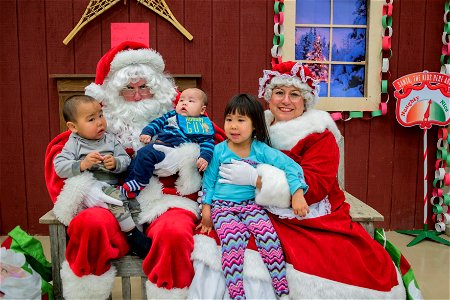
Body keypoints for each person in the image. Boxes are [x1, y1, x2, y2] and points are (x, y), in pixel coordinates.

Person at [188, 61, 408, 299]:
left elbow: (317, 184)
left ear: (305, 100)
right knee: (212, 240)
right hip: (246, 207)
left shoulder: (318, 134)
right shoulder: (252, 125)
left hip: (302, 207)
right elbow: (217, 147)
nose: (285, 101)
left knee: (316, 254)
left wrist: (259, 180)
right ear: (268, 97)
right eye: (279, 93)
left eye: (294, 95)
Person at [44, 41, 225, 299]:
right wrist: (89, 189)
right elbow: (60, 157)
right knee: (89, 224)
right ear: (113, 94)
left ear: (158, 89)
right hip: (111, 201)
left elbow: (221, 146)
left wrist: (185, 157)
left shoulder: (183, 115)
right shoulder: (96, 122)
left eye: (145, 88)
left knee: (174, 232)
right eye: (129, 89)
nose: (138, 96)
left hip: (165, 200)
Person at [198, 94, 309, 299]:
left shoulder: (260, 150)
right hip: (223, 207)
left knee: (268, 237)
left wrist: (297, 192)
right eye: (229, 119)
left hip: (251, 206)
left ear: (255, 125)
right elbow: (209, 182)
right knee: (232, 240)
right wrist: (207, 209)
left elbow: (291, 167)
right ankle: (236, 294)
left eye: (241, 120)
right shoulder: (219, 151)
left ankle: (281, 290)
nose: (233, 126)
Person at [53, 94, 151, 258]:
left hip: (112, 186)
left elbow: (126, 160)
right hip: (91, 190)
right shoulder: (74, 144)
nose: (100, 122)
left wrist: (115, 163)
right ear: (73, 127)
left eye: (100, 115)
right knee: (117, 200)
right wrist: (83, 164)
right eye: (91, 119)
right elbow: (59, 167)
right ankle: (133, 236)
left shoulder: (110, 139)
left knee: (133, 201)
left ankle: (137, 235)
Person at [121, 87, 215, 198]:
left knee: (145, 153)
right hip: (160, 147)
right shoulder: (172, 115)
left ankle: (140, 181)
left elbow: (207, 142)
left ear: (202, 110)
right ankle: (128, 188)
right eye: (181, 100)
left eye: (190, 101)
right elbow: (158, 122)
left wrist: (205, 157)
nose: (184, 103)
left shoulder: (201, 125)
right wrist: (148, 132)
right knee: (137, 159)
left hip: (174, 152)